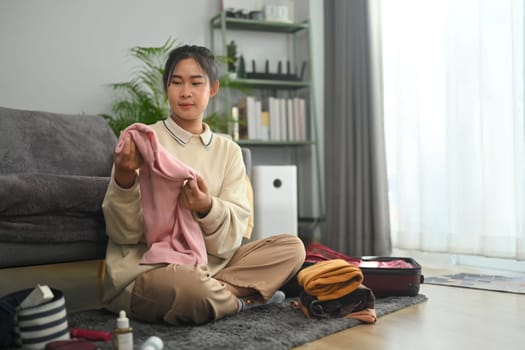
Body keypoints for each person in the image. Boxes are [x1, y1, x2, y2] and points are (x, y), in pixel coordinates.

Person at [101, 44, 306, 325]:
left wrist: (206, 207)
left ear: (213, 89)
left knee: (292, 247)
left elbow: (232, 238)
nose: (186, 92)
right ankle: (243, 299)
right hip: (150, 269)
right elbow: (123, 235)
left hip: (214, 267)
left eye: (196, 83)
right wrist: (124, 178)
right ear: (166, 88)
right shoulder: (143, 141)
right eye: (176, 83)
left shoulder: (228, 151)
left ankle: (219, 295)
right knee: (189, 289)